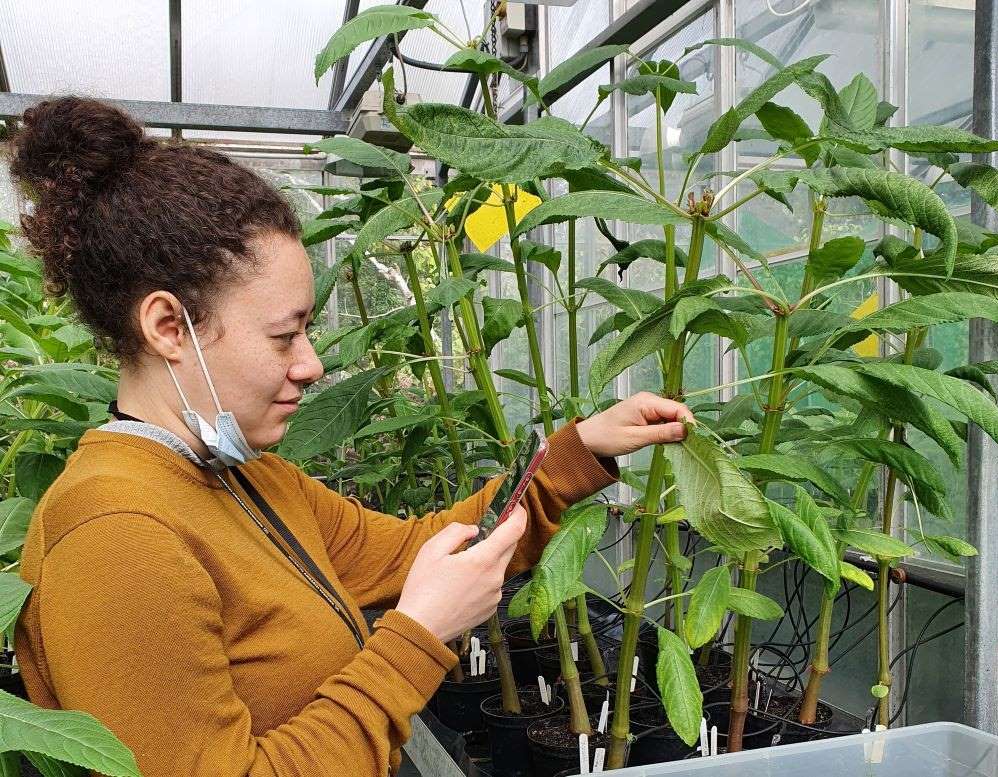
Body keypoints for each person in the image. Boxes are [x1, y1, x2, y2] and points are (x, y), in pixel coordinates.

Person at [9, 96, 693, 777]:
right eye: (284, 334)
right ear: (167, 327)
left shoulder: (251, 478)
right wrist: (417, 636)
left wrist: (580, 452)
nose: (311, 363)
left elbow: (424, 548)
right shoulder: (113, 534)